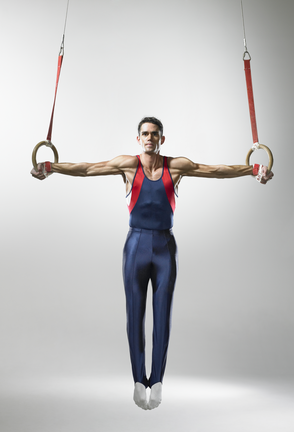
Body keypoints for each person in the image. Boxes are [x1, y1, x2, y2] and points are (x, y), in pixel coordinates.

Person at [31, 116, 273, 410]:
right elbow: (87, 169)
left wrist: (253, 169)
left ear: (162, 139)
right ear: (138, 139)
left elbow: (216, 171)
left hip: (165, 248)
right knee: (135, 316)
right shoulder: (128, 165)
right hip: (135, 246)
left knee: (162, 317)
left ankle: (156, 381)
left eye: (154, 134)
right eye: (145, 134)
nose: (149, 138)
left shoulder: (177, 166)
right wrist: (50, 167)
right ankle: (137, 380)